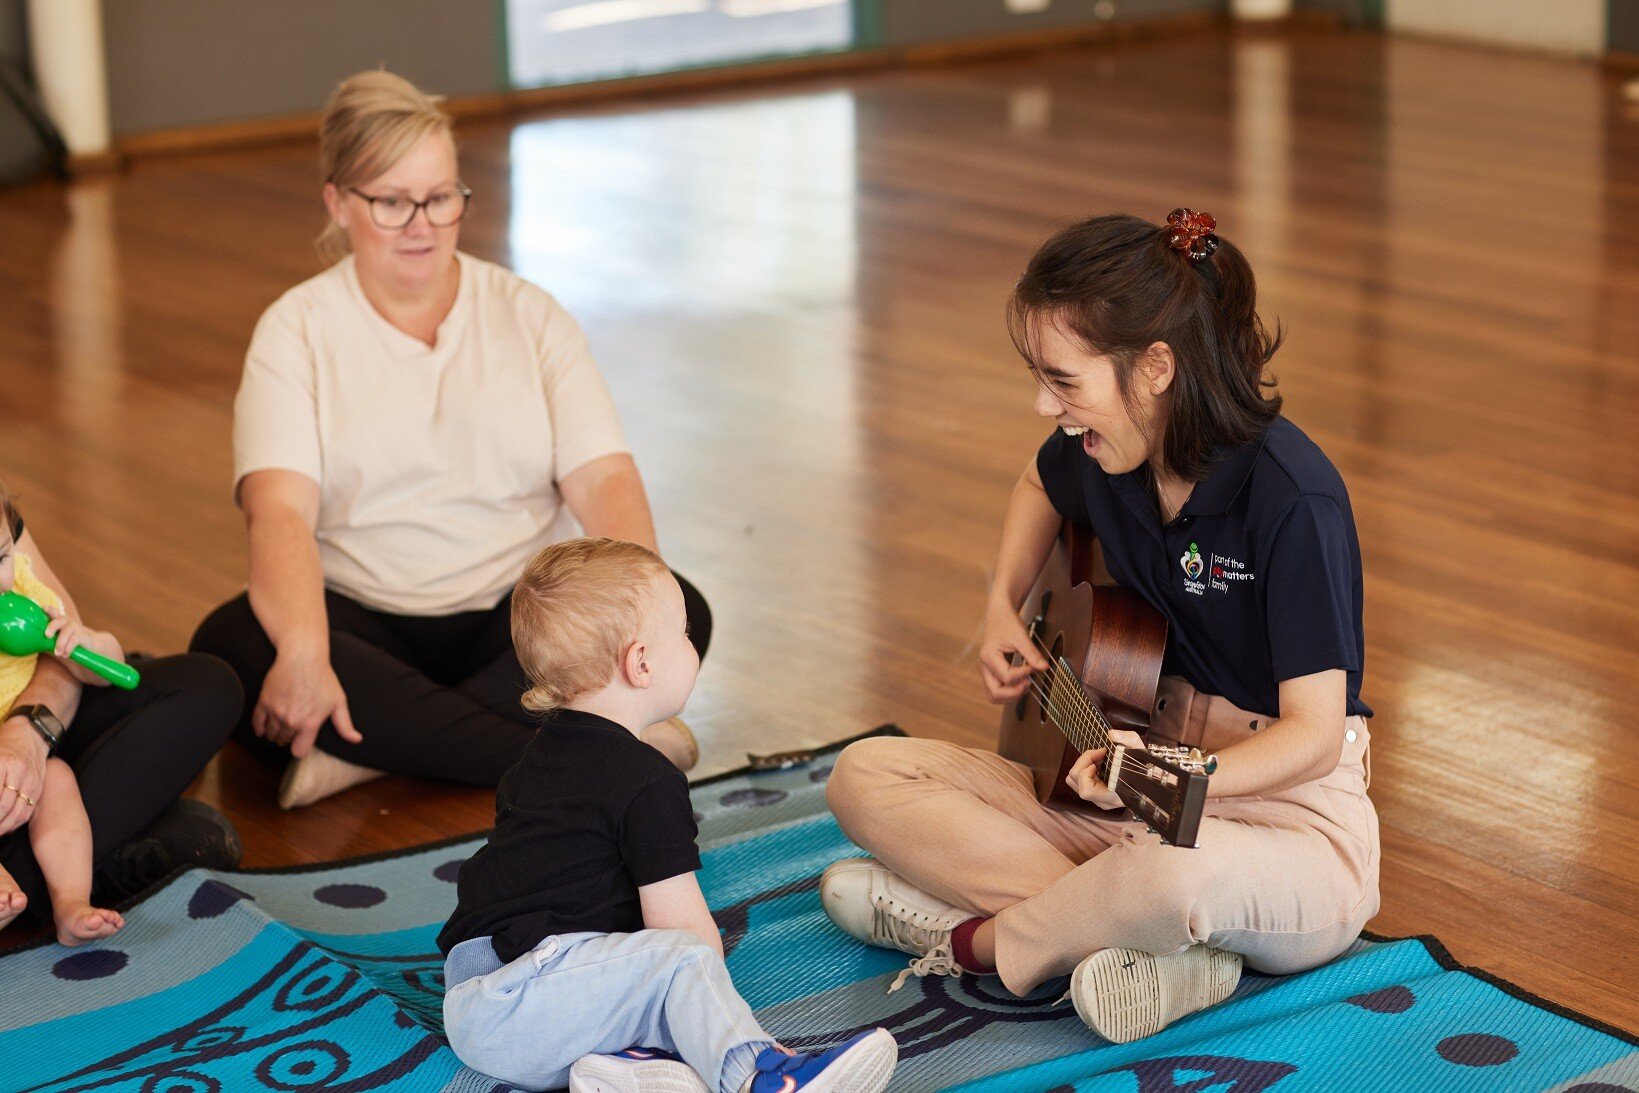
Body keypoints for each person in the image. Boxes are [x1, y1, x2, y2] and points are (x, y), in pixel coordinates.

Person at [818, 210, 1380, 1043]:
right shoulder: (1104, 454)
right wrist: (1001, 604)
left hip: (1289, 817)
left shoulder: (1293, 499)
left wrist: (1171, 779)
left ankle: (972, 940)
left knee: (1160, 877)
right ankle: (1129, 945)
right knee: (862, 775)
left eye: (1064, 380)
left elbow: (1313, 733)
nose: (1044, 404)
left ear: (1155, 368)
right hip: (1121, 784)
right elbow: (1035, 486)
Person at [189, 71, 710, 810]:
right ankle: (578, 749)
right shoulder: (294, 330)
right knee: (234, 648)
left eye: (439, 197)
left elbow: (604, 479)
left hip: (521, 618)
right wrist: (305, 654)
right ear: (337, 201)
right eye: (391, 201)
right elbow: (277, 513)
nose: (421, 224)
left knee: (679, 602)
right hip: (360, 619)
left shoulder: (529, 314)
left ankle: (370, 752)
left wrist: (644, 609)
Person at [437, 537, 897, 1093]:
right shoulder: (646, 780)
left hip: (481, 1002)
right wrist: (721, 1013)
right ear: (641, 663)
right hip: (525, 1004)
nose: (690, 645)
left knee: (642, 967)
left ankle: (626, 1072)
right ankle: (762, 1074)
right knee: (683, 959)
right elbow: (680, 929)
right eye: (682, 633)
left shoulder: (537, 757)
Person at [0, 480, 244, 937]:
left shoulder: (27, 593)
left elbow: (104, 664)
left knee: (59, 780)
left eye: (0, 558)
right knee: (198, 836)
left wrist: (84, 645)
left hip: (37, 750)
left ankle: (70, 902)